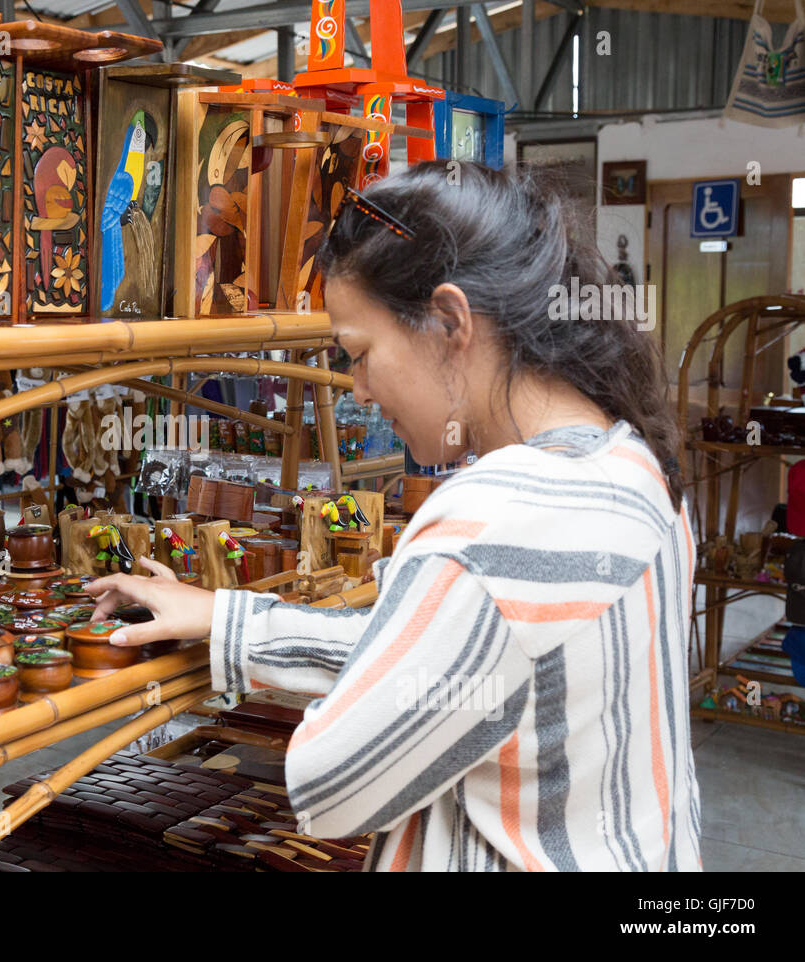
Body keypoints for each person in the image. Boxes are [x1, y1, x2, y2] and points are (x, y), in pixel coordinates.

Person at [84, 160, 700, 872]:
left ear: (448, 322)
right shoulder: (632, 463)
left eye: (360, 353)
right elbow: (476, 664)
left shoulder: (494, 521)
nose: (360, 389)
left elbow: (335, 781)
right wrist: (228, 621)